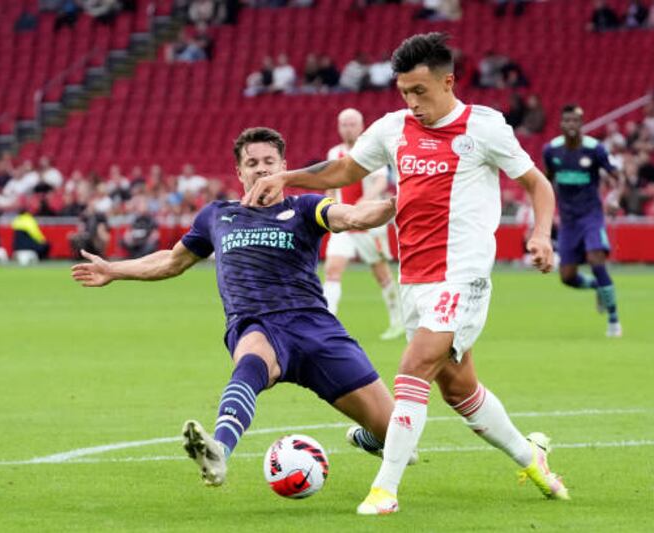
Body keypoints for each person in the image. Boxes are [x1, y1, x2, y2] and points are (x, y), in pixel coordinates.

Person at [242, 32, 570, 514]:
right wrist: (285, 178)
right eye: (404, 93)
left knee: (412, 368)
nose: (412, 103)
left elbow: (538, 185)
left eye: (420, 91)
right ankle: (532, 457)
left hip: (463, 275)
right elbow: (344, 172)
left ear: (448, 82)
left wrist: (541, 234)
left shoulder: (485, 128)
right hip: (415, 277)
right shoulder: (394, 128)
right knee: (458, 387)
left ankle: (385, 490)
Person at [71, 127, 414, 487]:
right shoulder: (216, 215)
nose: (261, 169)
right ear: (239, 172)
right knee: (251, 358)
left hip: (315, 327)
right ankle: (218, 450)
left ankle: (369, 437)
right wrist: (114, 269)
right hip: (256, 323)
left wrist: (395, 204)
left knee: (399, 435)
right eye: (252, 163)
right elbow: (172, 261)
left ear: (284, 165)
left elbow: (355, 217)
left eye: (269, 161)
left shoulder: (305, 208)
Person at [542, 105, 623, 337]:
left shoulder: (595, 149)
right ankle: (597, 286)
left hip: (591, 216)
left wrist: (614, 197)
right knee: (567, 277)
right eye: (567, 120)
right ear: (561, 124)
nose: (571, 125)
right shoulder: (552, 151)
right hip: (568, 221)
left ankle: (614, 320)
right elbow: (545, 182)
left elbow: (618, 178)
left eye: (575, 121)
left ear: (582, 123)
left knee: (596, 260)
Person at [324, 108, 404, 340]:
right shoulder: (334, 153)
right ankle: (328, 323)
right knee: (332, 270)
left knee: (381, 273)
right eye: (344, 124)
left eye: (352, 124)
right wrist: (328, 207)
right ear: (339, 127)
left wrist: (365, 200)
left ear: (361, 126)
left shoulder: (370, 148)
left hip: (369, 222)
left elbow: (381, 181)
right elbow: (330, 181)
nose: (348, 128)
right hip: (343, 222)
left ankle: (397, 319)